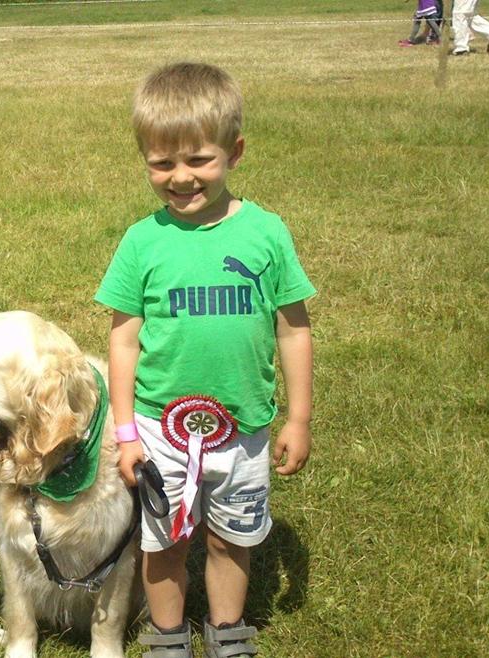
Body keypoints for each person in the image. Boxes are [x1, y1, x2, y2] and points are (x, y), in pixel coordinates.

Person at [95, 62, 315, 657]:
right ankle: (168, 637)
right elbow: (122, 340)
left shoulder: (267, 234)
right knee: (162, 543)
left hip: (242, 429)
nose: (181, 177)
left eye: (199, 159)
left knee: (229, 541)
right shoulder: (143, 241)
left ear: (235, 152)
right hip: (159, 430)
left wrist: (296, 419)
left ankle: (227, 633)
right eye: (162, 163)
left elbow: (293, 329)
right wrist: (125, 432)